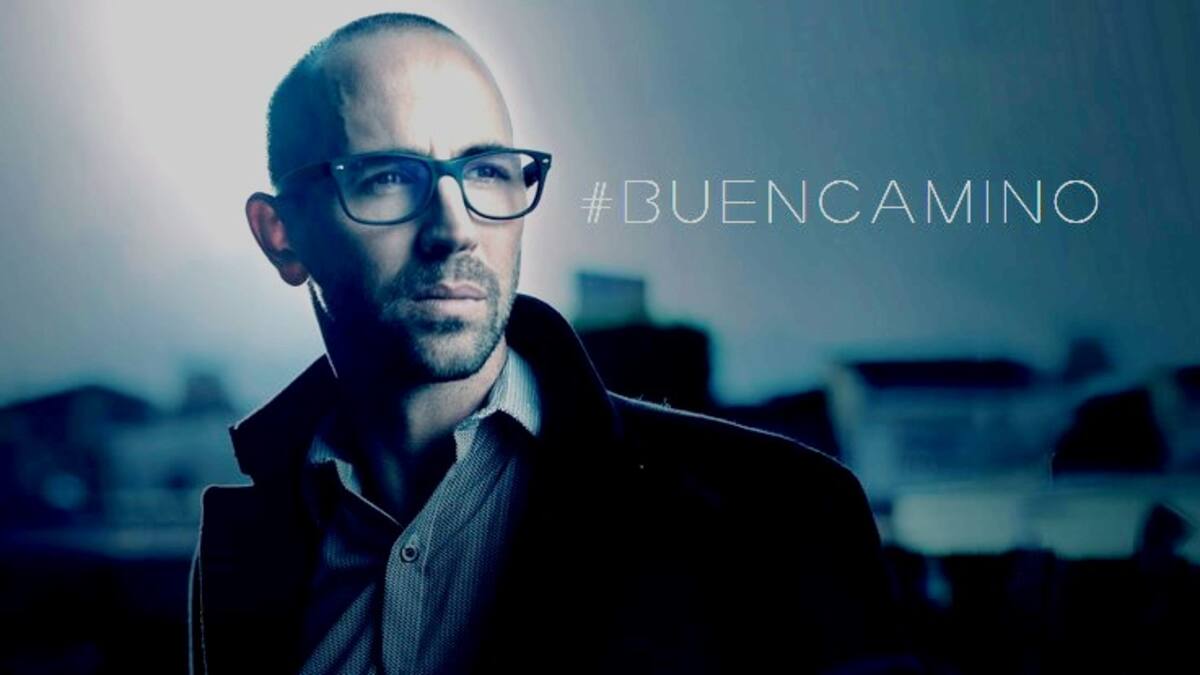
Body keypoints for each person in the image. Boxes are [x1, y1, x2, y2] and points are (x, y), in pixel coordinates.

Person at [189, 12, 914, 675]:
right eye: (387, 178)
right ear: (280, 236)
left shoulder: (783, 517)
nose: (454, 230)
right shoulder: (245, 549)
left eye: (486, 172)